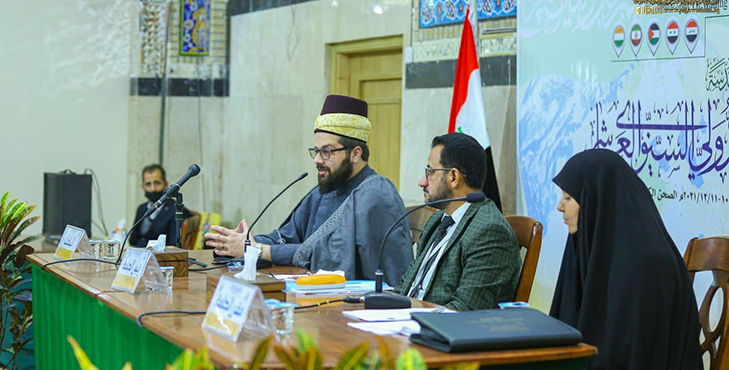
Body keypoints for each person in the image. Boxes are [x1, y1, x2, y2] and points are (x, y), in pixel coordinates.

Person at [551, 149, 708, 370]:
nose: (560, 206)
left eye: (569, 198)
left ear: (597, 200)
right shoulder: (590, 244)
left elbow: (632, 367)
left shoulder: (644, 265)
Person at [205, 95, 413, 286]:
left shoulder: (375, 195)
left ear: (355, 153)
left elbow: (332, 258)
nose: (317, 160)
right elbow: (286, 237)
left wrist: (260, 250)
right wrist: (243, 243)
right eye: (316, 151)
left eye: (327, 152)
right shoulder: (324, 190)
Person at [395, 133, 521, 310]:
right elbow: (407, 286)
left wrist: (408, 307)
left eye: (430, 172)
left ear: (453, 177)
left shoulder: (489, 230)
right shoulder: (438, 220)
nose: (422, 182)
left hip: (437, 325)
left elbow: (464, 310)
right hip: (405, 319)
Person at [129, 164, 183, 248]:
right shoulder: (141, 208)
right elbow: (132, 240)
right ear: (143, 187)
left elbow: (174, 244)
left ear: (166, 184)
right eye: (148, 184)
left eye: (157, 183)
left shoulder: (175, 209)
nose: (153, 188)